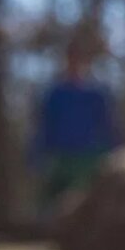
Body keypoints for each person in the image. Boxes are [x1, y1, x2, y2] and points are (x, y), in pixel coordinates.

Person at [31, 35, 119, 207]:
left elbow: (109, 126)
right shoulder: (55, 94)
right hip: (61, 158)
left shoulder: (97, 94)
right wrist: (36, 157)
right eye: (71, 58)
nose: (74, 63)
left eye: (78, 59)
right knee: (51, 205)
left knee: (89, 206)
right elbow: (44, 127)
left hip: (89, 160)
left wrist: (112, 154)